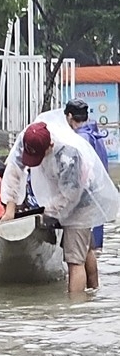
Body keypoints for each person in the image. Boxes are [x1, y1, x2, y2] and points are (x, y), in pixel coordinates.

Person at [0, 111, 119, 293]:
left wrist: (47, 213)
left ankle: (75, 309)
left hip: (82, 198)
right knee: (84, 248)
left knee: (74, 259)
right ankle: (94, 294)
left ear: (51, 146)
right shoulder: (28, 138)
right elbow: (13, 172)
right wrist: (9, 209)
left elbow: (70, 195)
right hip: (61, 193)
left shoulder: (69, 154)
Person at [64, 98, 110, 250]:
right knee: (92, 249)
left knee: (78, 257)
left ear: (69, 117)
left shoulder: (79, 140)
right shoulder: (95, 135)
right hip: (98, 198)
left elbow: (78, 174)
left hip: (84, 202)